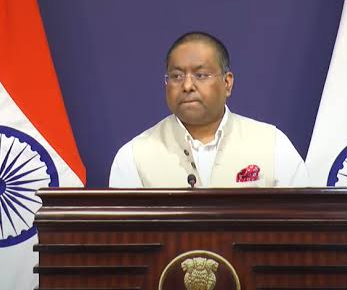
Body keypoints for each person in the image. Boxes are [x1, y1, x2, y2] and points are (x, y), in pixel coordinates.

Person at [109, 31, 307, 188]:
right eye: (177, 76)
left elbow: (302, 219)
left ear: (227, 83)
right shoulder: (134, 156)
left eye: (201, 75)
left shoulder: (272, 144)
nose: (187, 86)